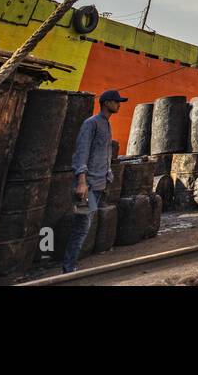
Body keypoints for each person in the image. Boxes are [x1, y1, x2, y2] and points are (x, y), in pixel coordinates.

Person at [62, 89, 127, 273]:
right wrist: (81, 182)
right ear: (106, 103)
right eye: (116, 101)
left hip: (99, 185)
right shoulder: (91, 124)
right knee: (82, 226)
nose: (119, 104)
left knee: (86, 224)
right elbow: (81, 153)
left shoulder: (106, 124)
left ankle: (71, 263)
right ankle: (68, 267)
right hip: (87, 185)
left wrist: (108, 177)